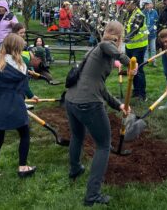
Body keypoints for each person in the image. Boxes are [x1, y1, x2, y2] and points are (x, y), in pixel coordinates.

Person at [65, 21, 133, 207]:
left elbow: (99, 86)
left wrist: (118, 105)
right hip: (88, 103)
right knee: (103, 145)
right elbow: (107, 45)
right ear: (119, 37)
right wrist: (129, 62)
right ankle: (92, 195)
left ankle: (75, 169)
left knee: (77, 135)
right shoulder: (104, 45)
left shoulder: (94, 52)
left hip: (71, 100)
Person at [0, 34, 36, 178]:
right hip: (16, 106)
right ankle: (23, 167)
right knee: (24, 134)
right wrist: (31, 95)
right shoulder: (22, 66)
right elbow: (23, 87)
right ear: (18, 48)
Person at [124, 0, 148, 101]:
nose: (126, 5)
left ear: (134, 4)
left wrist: (123, 38)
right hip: (129, 46)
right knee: (131, 69)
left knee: (138, 69)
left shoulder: (139, 15)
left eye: (128, 3)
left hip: (139, 47)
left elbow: (134, 30)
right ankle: (136, 90)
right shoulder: (128, 14)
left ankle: (142, 94)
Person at [142, 0, 159, 66]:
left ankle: (153, 61)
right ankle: (145, 62)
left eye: (148, 4)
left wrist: (152, 29)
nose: (147, 6)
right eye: (146, 4)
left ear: (151, 4)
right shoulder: (143, 12)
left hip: (152, 34)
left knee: (153, 49)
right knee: (145, 49)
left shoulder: (154, 12)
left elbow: (156, 22)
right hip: (145, 34)